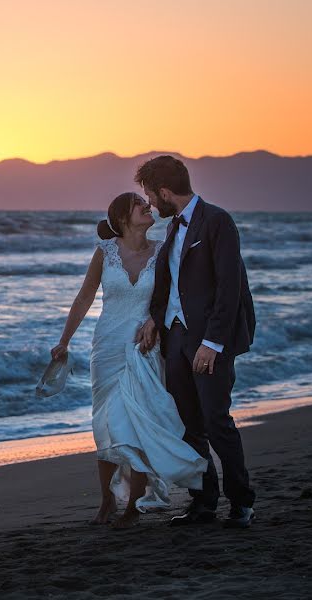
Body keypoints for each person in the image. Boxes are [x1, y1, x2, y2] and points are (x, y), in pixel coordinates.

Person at [51, 192, 207, 529]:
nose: (147, 206)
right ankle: (107, 500)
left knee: (137, 422)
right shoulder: (105, 252)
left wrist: (154, 321)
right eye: (139, 204)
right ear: (123, 217)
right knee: (106, 425)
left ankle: (135, 505)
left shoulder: (162, 252)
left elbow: (172, 298)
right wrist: (64, 340)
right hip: (106, 346)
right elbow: (84, 297)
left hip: (143, 346)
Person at [135, 155, 257, 529]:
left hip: (208, 343)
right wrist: (157, 320)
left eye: (151, 196)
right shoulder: (172, 229)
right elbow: (170, 283)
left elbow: (229, 287)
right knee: (189, 425)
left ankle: (240, 503)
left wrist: (213, 343)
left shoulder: (217, 221)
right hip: (177, 338)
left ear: (165, 191)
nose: (151, 204)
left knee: (217, 421)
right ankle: (202, 503)